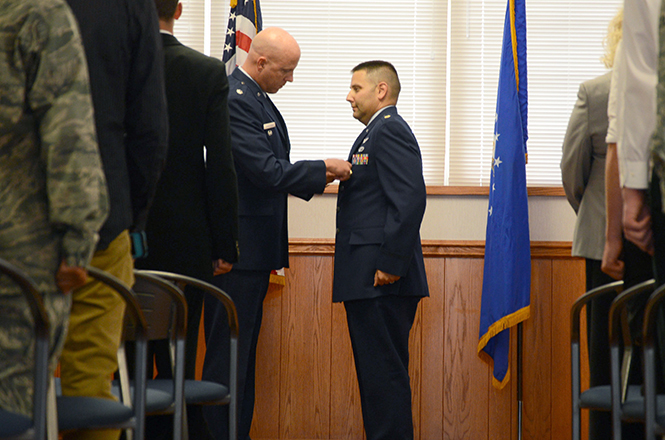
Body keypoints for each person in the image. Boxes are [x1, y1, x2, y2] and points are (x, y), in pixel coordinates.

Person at [201, 27, 352, 440]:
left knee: (242, 358)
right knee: (227, 360)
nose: (291, 80)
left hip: (253, 254)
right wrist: (323, 168)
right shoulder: (235, 100)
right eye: (286, 71)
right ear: (261, 61)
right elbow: (266, 172)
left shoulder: (256, 99)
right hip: (235, 253)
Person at [57, 1, 169, 439]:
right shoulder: (128, 5)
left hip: (13, 222)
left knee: (13, 378)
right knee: (90, 381)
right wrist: (129, 214)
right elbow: (149, 129)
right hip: (100, 215)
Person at [0, 0, 108, 418]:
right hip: (18, 254)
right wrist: (79, 240)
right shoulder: (37, 13)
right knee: (14, 414)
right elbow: (68, 135)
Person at [136, 0, 239, 437]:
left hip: (125, 233)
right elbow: (220, 163)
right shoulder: (206, 72)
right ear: (178, 10)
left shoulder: (116, 64)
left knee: (127, 349)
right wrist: (224, 243)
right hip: (188, 238)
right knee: (181, 347)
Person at [333, 60, 428, 440]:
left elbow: (409, 200)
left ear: (381, 90)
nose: (349, 96)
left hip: (381, 277)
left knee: (384, 380)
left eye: (356, 88)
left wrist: (390, 263)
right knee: (377, 381)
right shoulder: (376, 131)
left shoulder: (389, 130)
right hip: (369, 277)